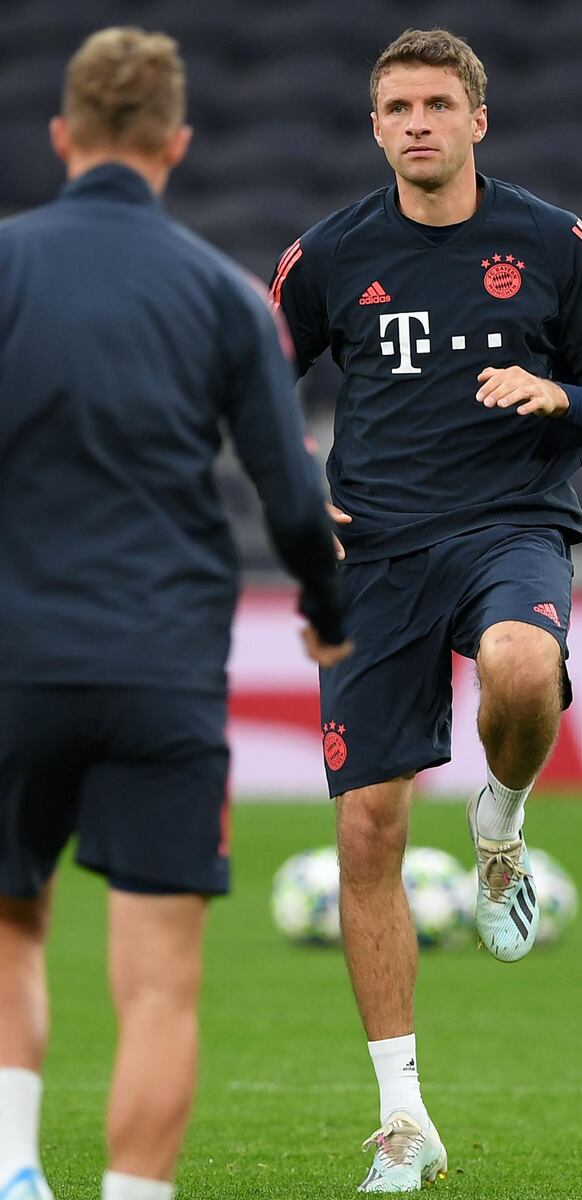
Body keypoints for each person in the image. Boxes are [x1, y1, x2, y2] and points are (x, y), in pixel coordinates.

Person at [270, 27, 582, 1192]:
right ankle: (403, 1121)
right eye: (398, 107)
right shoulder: (330, 256)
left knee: (522, 675)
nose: (419, 122)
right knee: (367, 830)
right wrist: (294, 487)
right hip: (373, 556)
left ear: (478, 119)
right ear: (375, 126)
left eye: (440, 103)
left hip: (509, 526)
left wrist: (557, 392)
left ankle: (498, 832)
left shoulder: (547, 241)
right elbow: (240, 382)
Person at [0, 26, 350, 1200]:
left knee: (11, 925)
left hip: (11, 662)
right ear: (177, 143)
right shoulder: (220, 294)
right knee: (158, 983)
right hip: (160, 666)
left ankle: (8, 1172)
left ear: (62, 136)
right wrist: (327, 610)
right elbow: (292, 495)